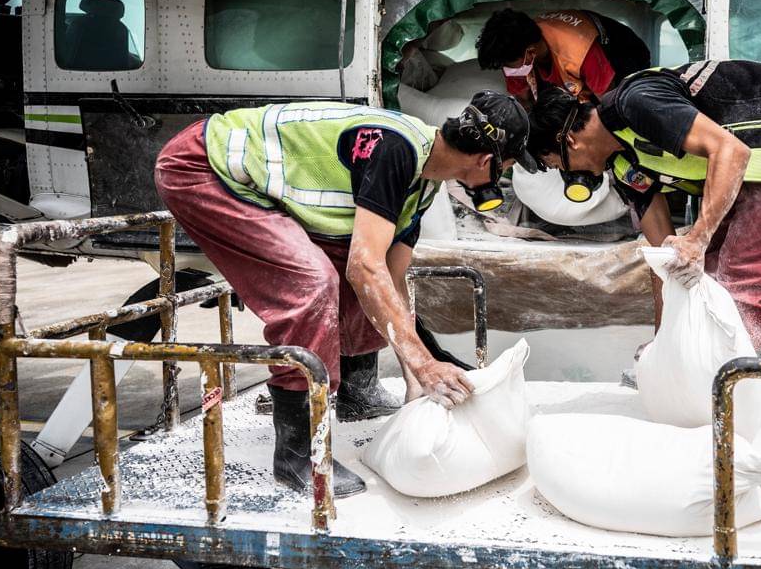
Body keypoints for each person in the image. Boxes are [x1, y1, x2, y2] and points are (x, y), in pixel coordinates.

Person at [154, 92, 538, 497]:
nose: (502, 177)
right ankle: (298, 453)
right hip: (200, 165)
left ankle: (356, 390)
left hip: (240, 176)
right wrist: (425, 364)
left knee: (366, 284)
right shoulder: (397, 151)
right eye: (508, 166)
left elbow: (389, 279)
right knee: (313, 282)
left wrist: (414, 381)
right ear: (486, 162)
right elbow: (364, 266)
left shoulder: (424, 184)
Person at [524, 60, 761, 352]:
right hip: (748, 173)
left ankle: (731, 384)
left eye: (560, 165)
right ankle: (709, 375)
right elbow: (666, 261)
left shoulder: (636, 102)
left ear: (569, 141)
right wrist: (662, 344)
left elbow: (731, 151)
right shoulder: (623, 165)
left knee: (740, 278)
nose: (571, 174)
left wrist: (698, 238)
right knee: (705, 278)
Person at [476, 8, 651, 105]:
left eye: (509, 65)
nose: (508, 71)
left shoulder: (580, 52)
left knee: (626, 105)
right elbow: (524, 102)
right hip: (566, 64)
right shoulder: (515, 49)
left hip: (623, 53)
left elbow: (610, 105)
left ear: (530, 53)